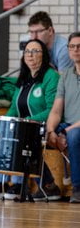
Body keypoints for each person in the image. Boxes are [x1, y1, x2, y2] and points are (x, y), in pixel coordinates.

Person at [0, 39, 60, 200]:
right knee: (3, 133)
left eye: (35, 51)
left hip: (46, 124)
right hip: (25, 124)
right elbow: (14, 106)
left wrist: (28, 121)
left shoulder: (50, 76)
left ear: (44, 55)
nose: (30, 55)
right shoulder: (24, 78)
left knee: (25, 136)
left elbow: (52, 109)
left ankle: (46, 185)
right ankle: (2, 183)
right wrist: (4, 121)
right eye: (27, 52)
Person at [45, 32, 80, 203]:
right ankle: (48, 185)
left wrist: (65, 132)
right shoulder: (65, 75)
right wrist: (51, 131)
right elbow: (56, 110)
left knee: (73, 135)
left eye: (79, 46)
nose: (76, 50)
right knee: (37, 133)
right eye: (72, 46)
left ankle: (77, 188)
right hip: (68, 124)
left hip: (74, 128)